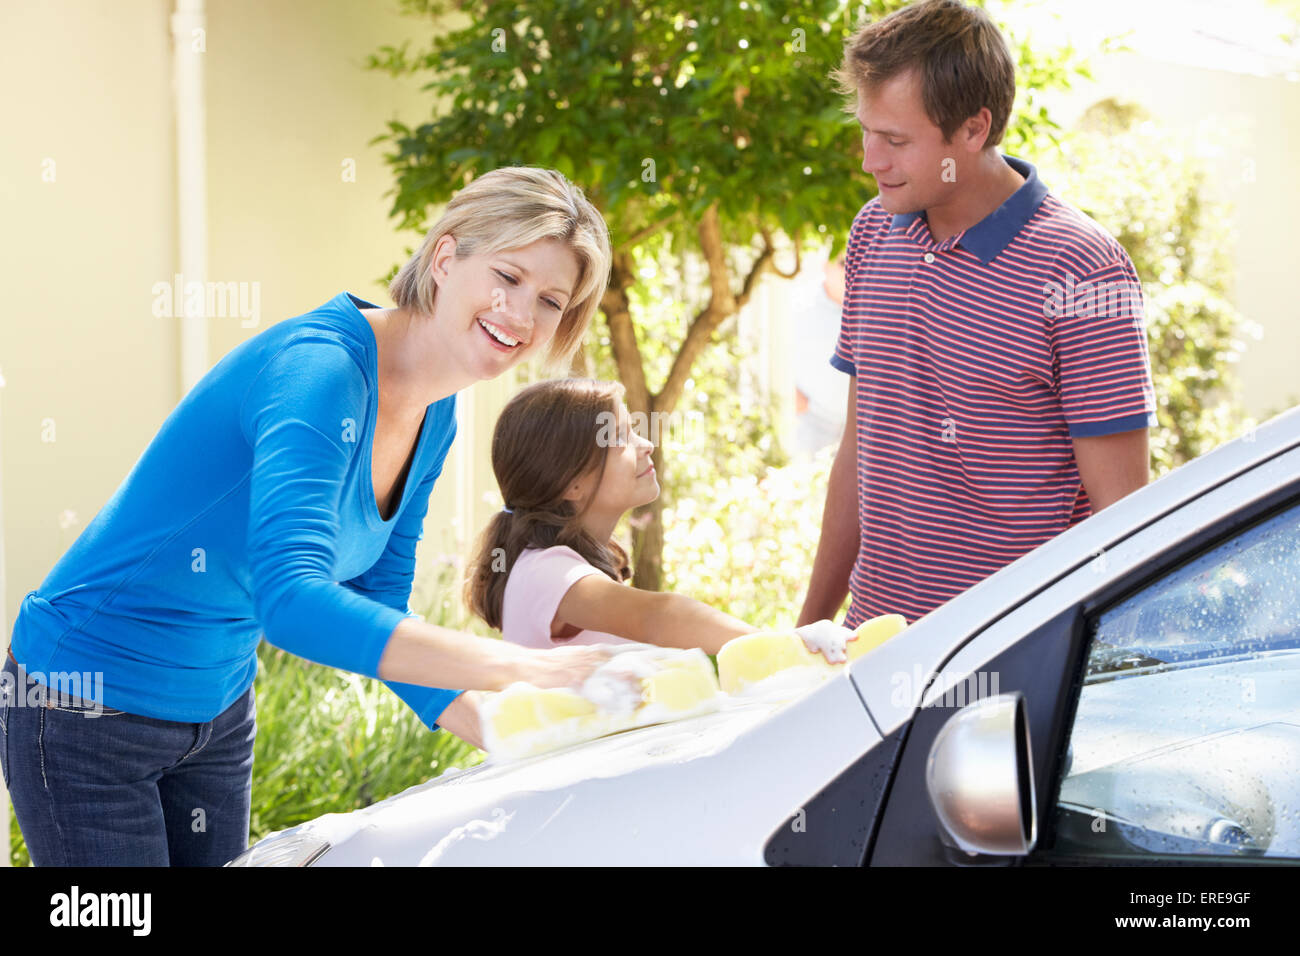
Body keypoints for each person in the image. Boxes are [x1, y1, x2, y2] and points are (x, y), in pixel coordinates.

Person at [1, 166, 627, 867]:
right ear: (446, 259)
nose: (520, 313)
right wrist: (517, 667)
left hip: (218, 706)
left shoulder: (436, 409)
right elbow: (291, 602)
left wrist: (504, 732)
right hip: (83, 703)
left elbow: (377, 599)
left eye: (549, 299)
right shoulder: (321, 372)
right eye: (507, 276)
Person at [798, 0, 1157, 631]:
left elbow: (1122, 516)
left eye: (896, 140)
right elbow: (860, 449)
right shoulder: (873, 231)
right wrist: (808, 632)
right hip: (871, 649)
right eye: (866, 131)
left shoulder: (1084, 268)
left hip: (1012, 665)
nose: (869, 160)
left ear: (972, 129)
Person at [463, 378, 760, 655]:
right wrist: (778, 648)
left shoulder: (562, 565)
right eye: (619, 438)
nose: (646, 445)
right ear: (571, 482)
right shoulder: (546, 572)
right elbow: (657, 618)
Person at [792, 254, 850, 457]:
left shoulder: (872, 306)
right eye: (843, 263)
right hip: (813, 424)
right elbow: (770, 351)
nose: (850, 269)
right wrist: (789, 392)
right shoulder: (799, 305)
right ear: (825, 266)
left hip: (858, 428)